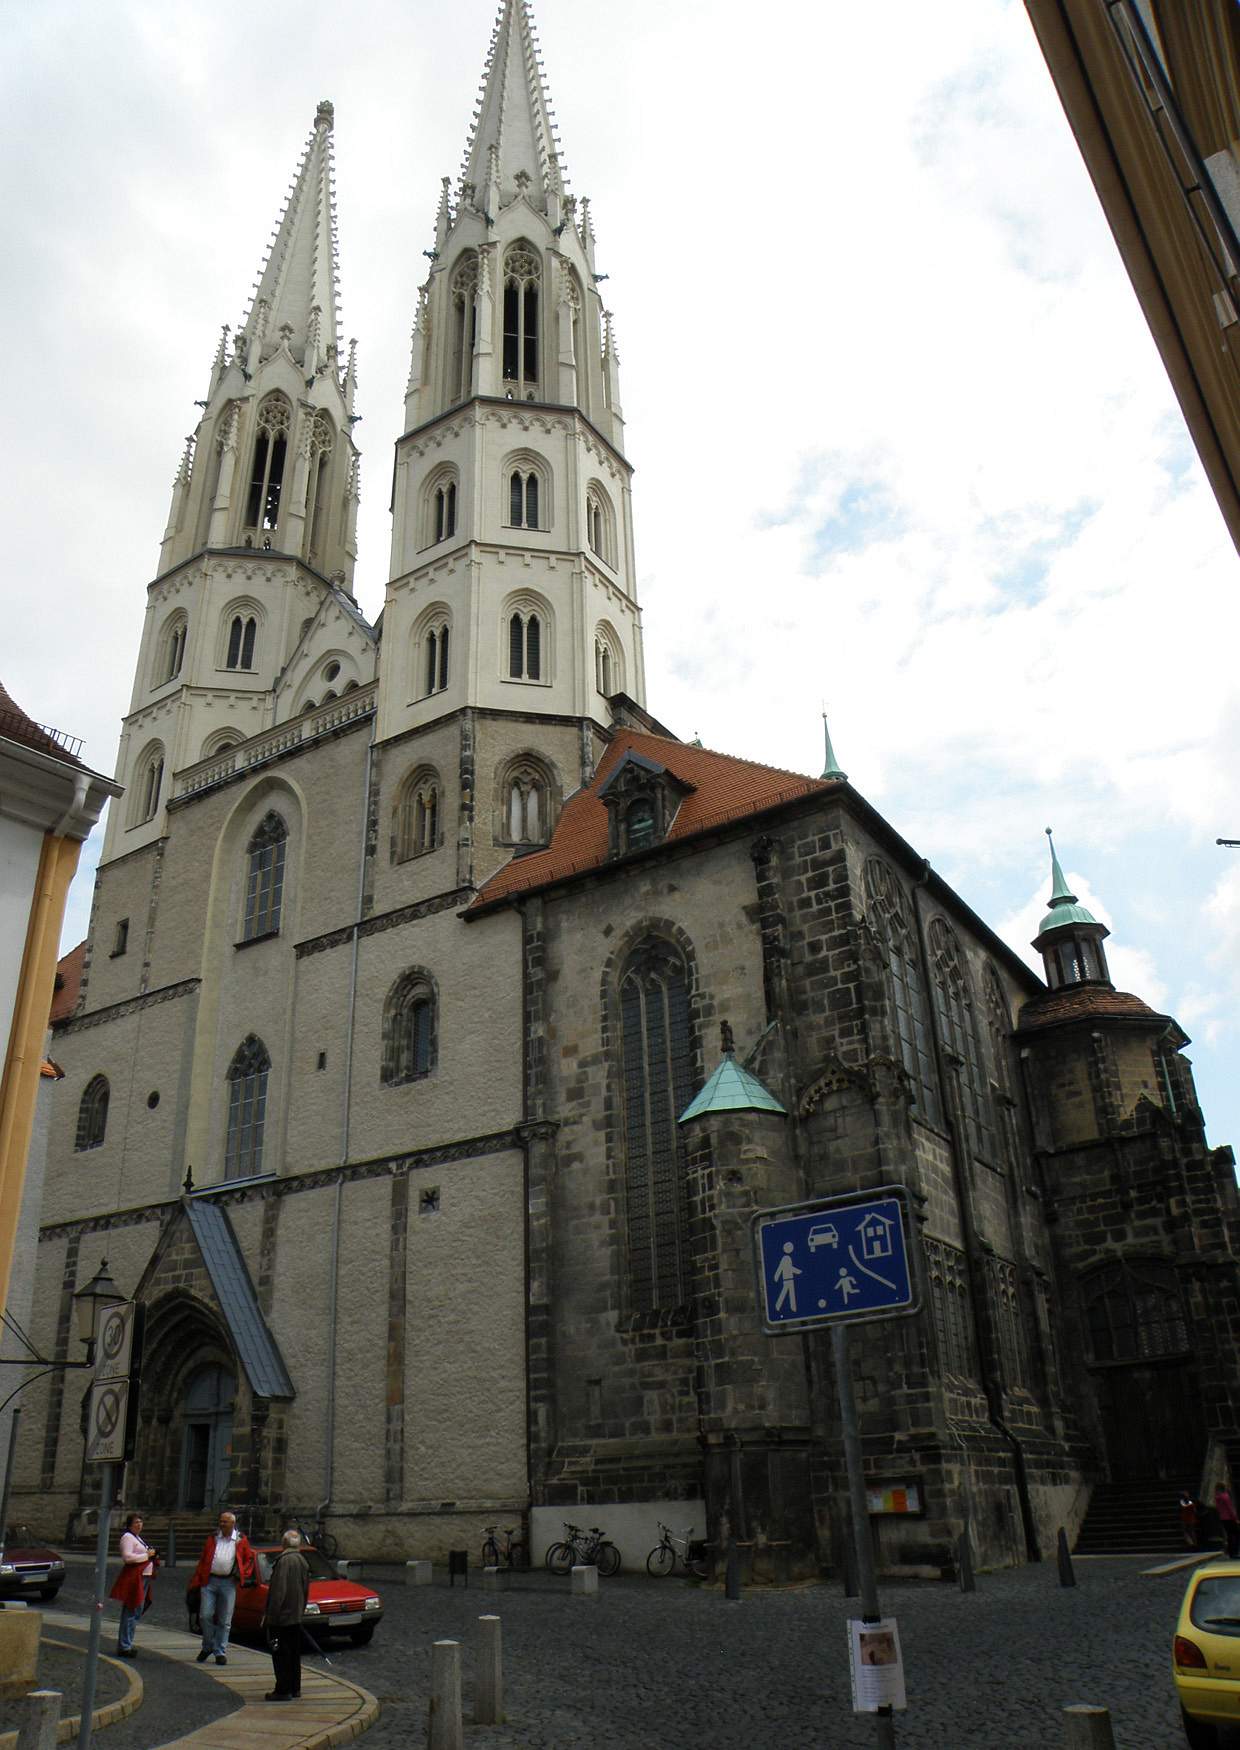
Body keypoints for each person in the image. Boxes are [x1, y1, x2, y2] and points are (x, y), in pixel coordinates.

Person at [189, 1509, 256, 1666]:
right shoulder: (213, 1538)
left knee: (225, 1620)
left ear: (233, 1523)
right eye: (221, 1521)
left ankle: (220, 1650)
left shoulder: (240, 1540)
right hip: (210, 1580)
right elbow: (204, 1558)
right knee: (205, 1615)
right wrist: (197, 1579)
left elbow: (249, 1560)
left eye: (225, 1522)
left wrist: (242, 1574)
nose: (222, 1524)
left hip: (228, 1582)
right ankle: (208, 1646)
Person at [262, 1529, 311, 1702]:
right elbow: (306, 1590)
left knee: (281, 1653)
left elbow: (278, 1592)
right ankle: (295, 1687)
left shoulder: (284, 1561)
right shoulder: (302, 1561)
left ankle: (283, 1689)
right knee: (294, 1653)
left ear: (284, 1543)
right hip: (295, 1615)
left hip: (282, 1617)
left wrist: (271, 1616)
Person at [108, 1512, 156, 1658]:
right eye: (136, 1522)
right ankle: (124, 1645)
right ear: (129, 1525)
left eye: (141, 1522)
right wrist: (147, 1555)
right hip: (136, 1578)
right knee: (132, 1610)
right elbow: (127, 1557)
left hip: (144, 1577)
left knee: (136, 1610)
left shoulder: (138, 1538)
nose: (139, 1525)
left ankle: (127, 1643)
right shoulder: (127, 1537)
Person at [1215, 1484, 1240, 1558]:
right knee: (1235, 1535)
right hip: (1229, 1518)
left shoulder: (1217, 1498)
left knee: (1229, 1535)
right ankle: (1235, 1551)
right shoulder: (1225, 1497)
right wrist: (1236, 1518)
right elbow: (1230, 1509)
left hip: (1223, 1518)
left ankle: (1231, 1552)